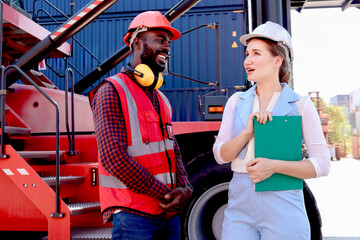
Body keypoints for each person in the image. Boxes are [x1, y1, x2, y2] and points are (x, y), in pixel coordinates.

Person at [212, 21, 330, 240]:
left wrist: (273, 167)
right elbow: (220, 155)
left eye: (257, 53)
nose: (248, 60)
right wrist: (247, 133)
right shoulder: (236, 102)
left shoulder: (300, 105)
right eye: (247, 54)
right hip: (239, 205)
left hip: (283, 205)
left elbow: (322, 164)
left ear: (278, 60)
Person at [90, 11, 192, 240]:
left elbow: (173, 149)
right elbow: (113, 158)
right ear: (137, 42)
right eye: (159, 39)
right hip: (134, 216)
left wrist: (185, 188)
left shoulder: (161, 99)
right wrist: (166, 194)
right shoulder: (111, 90)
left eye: (168, 42)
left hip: (168, 215)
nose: (166, 47)